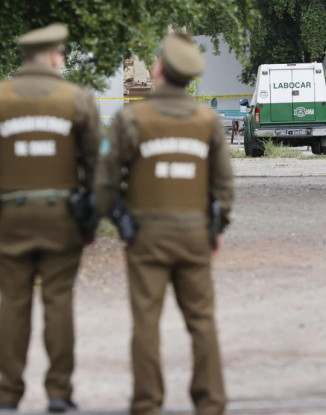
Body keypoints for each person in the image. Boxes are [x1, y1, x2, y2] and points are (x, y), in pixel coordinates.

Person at [0, 23, 101, 413]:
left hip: (9, 219)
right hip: (62, 218)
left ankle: (7, 396)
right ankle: (59, 393)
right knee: (59, 303)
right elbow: (96, 167)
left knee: (13, 305)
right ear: (55, 56)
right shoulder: (77, 99)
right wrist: (90, 218)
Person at [94, 32, 234, 415]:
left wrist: (117, 219)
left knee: (146, 322)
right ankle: (210, 402)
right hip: (193, 235)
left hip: (146, 236)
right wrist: (215, 228)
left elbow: (105, 181)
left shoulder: (131, 118)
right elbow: (223, 185)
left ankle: (147, 404)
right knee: (202, 321)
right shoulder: (208, 120)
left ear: (158, 69)